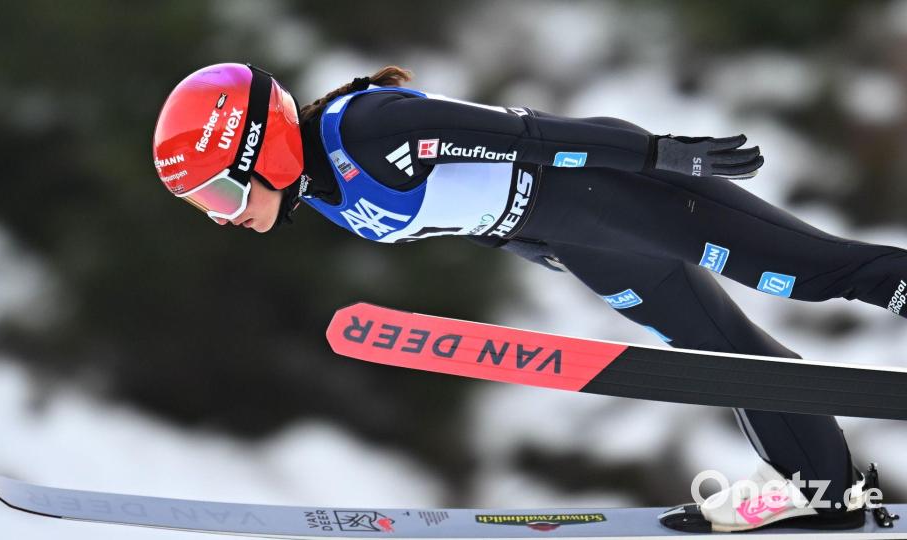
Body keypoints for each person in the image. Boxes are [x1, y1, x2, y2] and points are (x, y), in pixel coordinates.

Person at [152, 63, 907, 533]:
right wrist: (541, 249)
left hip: (623, 193)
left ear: (259, 147)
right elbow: (466, 212)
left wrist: (655, 155)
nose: (226, 216)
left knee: (818, 272)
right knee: (720, 356)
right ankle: (820, 486)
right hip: (580, 238)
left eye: (221, 191)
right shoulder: (315, 191)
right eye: (204, 207)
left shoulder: (373, 131)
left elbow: (533, 136)